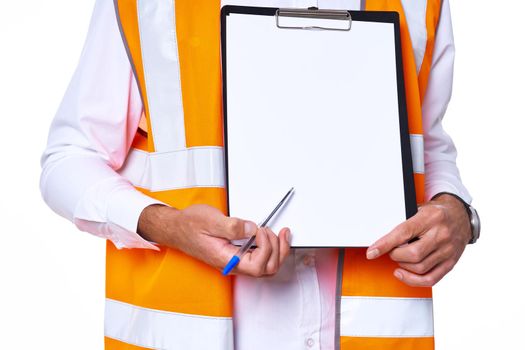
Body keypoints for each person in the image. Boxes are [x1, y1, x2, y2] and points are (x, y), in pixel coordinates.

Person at [40, 0, 479, 349]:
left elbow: (426, 141)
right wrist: (167, 225)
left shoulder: (420, 4)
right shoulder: (146, 5)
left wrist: (456, 210)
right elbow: (69, 157)